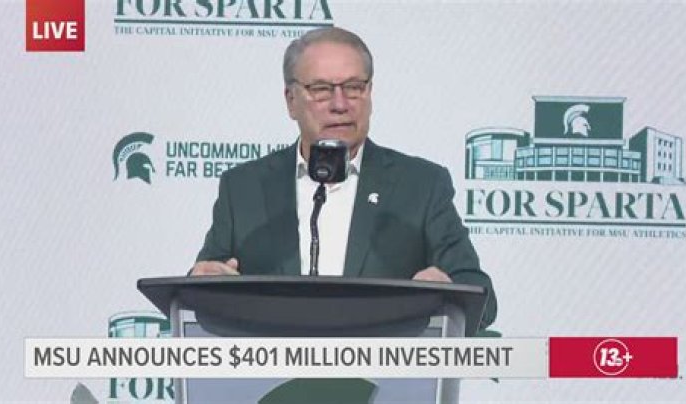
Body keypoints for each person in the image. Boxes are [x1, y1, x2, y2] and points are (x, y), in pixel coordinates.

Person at [190, 27, 497, 329]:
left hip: (383, 362)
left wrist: (447, 292)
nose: (340, 104)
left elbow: (482, 299)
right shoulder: (244, 187)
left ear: (369, 93)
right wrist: (202, 283)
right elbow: (201, 287)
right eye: (321, 89)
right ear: (291, 100)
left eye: (353, 87)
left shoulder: (421, 185)